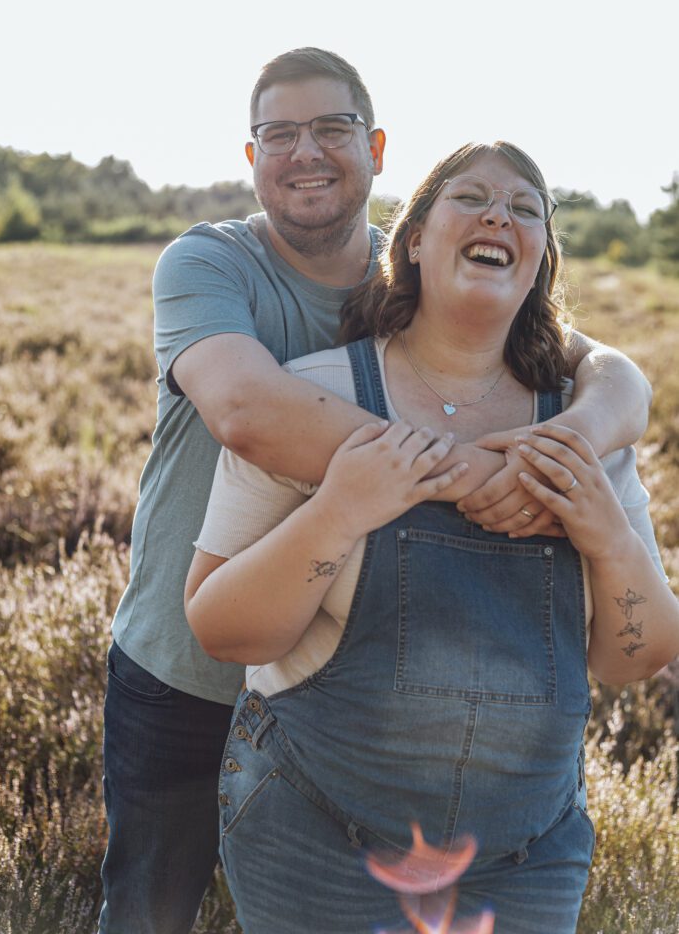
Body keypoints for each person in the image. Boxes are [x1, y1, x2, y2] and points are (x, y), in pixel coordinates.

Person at [100, 48, 652, 934]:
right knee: (150, 911)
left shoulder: (428, 284)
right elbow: (245, 409)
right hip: (186, 665)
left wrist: (583, 444)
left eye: (332, 128)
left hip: (401, 758)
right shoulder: (210, 262)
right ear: (251, 156)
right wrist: (492, 473)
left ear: (376, 148)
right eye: (279, 133)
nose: (306, 151)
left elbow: (607, 369)